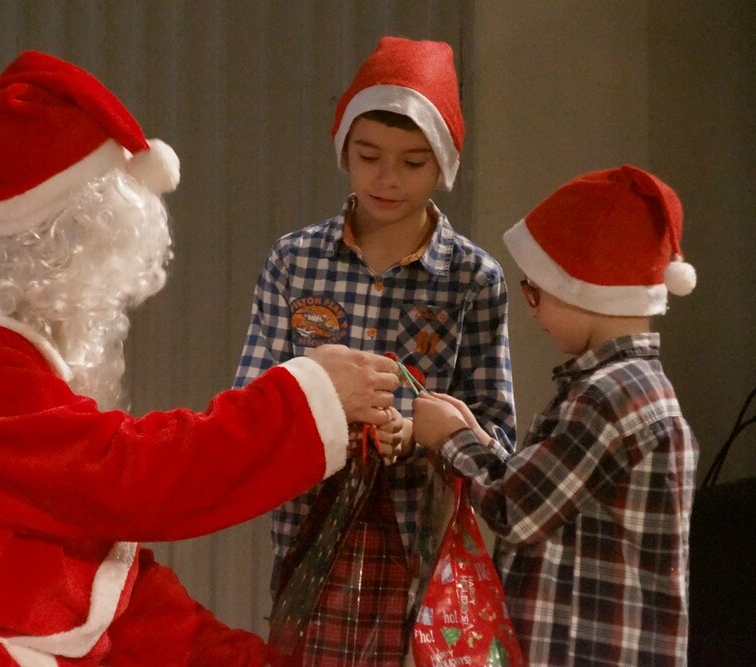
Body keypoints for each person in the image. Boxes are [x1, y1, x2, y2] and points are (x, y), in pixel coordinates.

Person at [0, 50, 401, 667]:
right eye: (110, 266)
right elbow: (124, 477)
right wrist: (307, 401)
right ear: (59, 245)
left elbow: (100, 576)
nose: (112, 298)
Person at [233, 36, 515, 661]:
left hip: (419, 551)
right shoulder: (295, 261)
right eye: (368, 156)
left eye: (413, 162)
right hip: (309, 538)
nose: (387, 178)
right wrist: (325, 407)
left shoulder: (472, 279)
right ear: (343, 152)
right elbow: (250, 399)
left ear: (444, 165)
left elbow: (496, 435)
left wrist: (418, 431)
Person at [412, 165, 699, 666]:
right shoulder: (631, 388)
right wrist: (477, 437)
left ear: (580, 290)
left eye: (535, 290)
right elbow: (544, 491)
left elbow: (514, 509)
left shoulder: (610, 397)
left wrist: (450, 439)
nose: (531, 310)